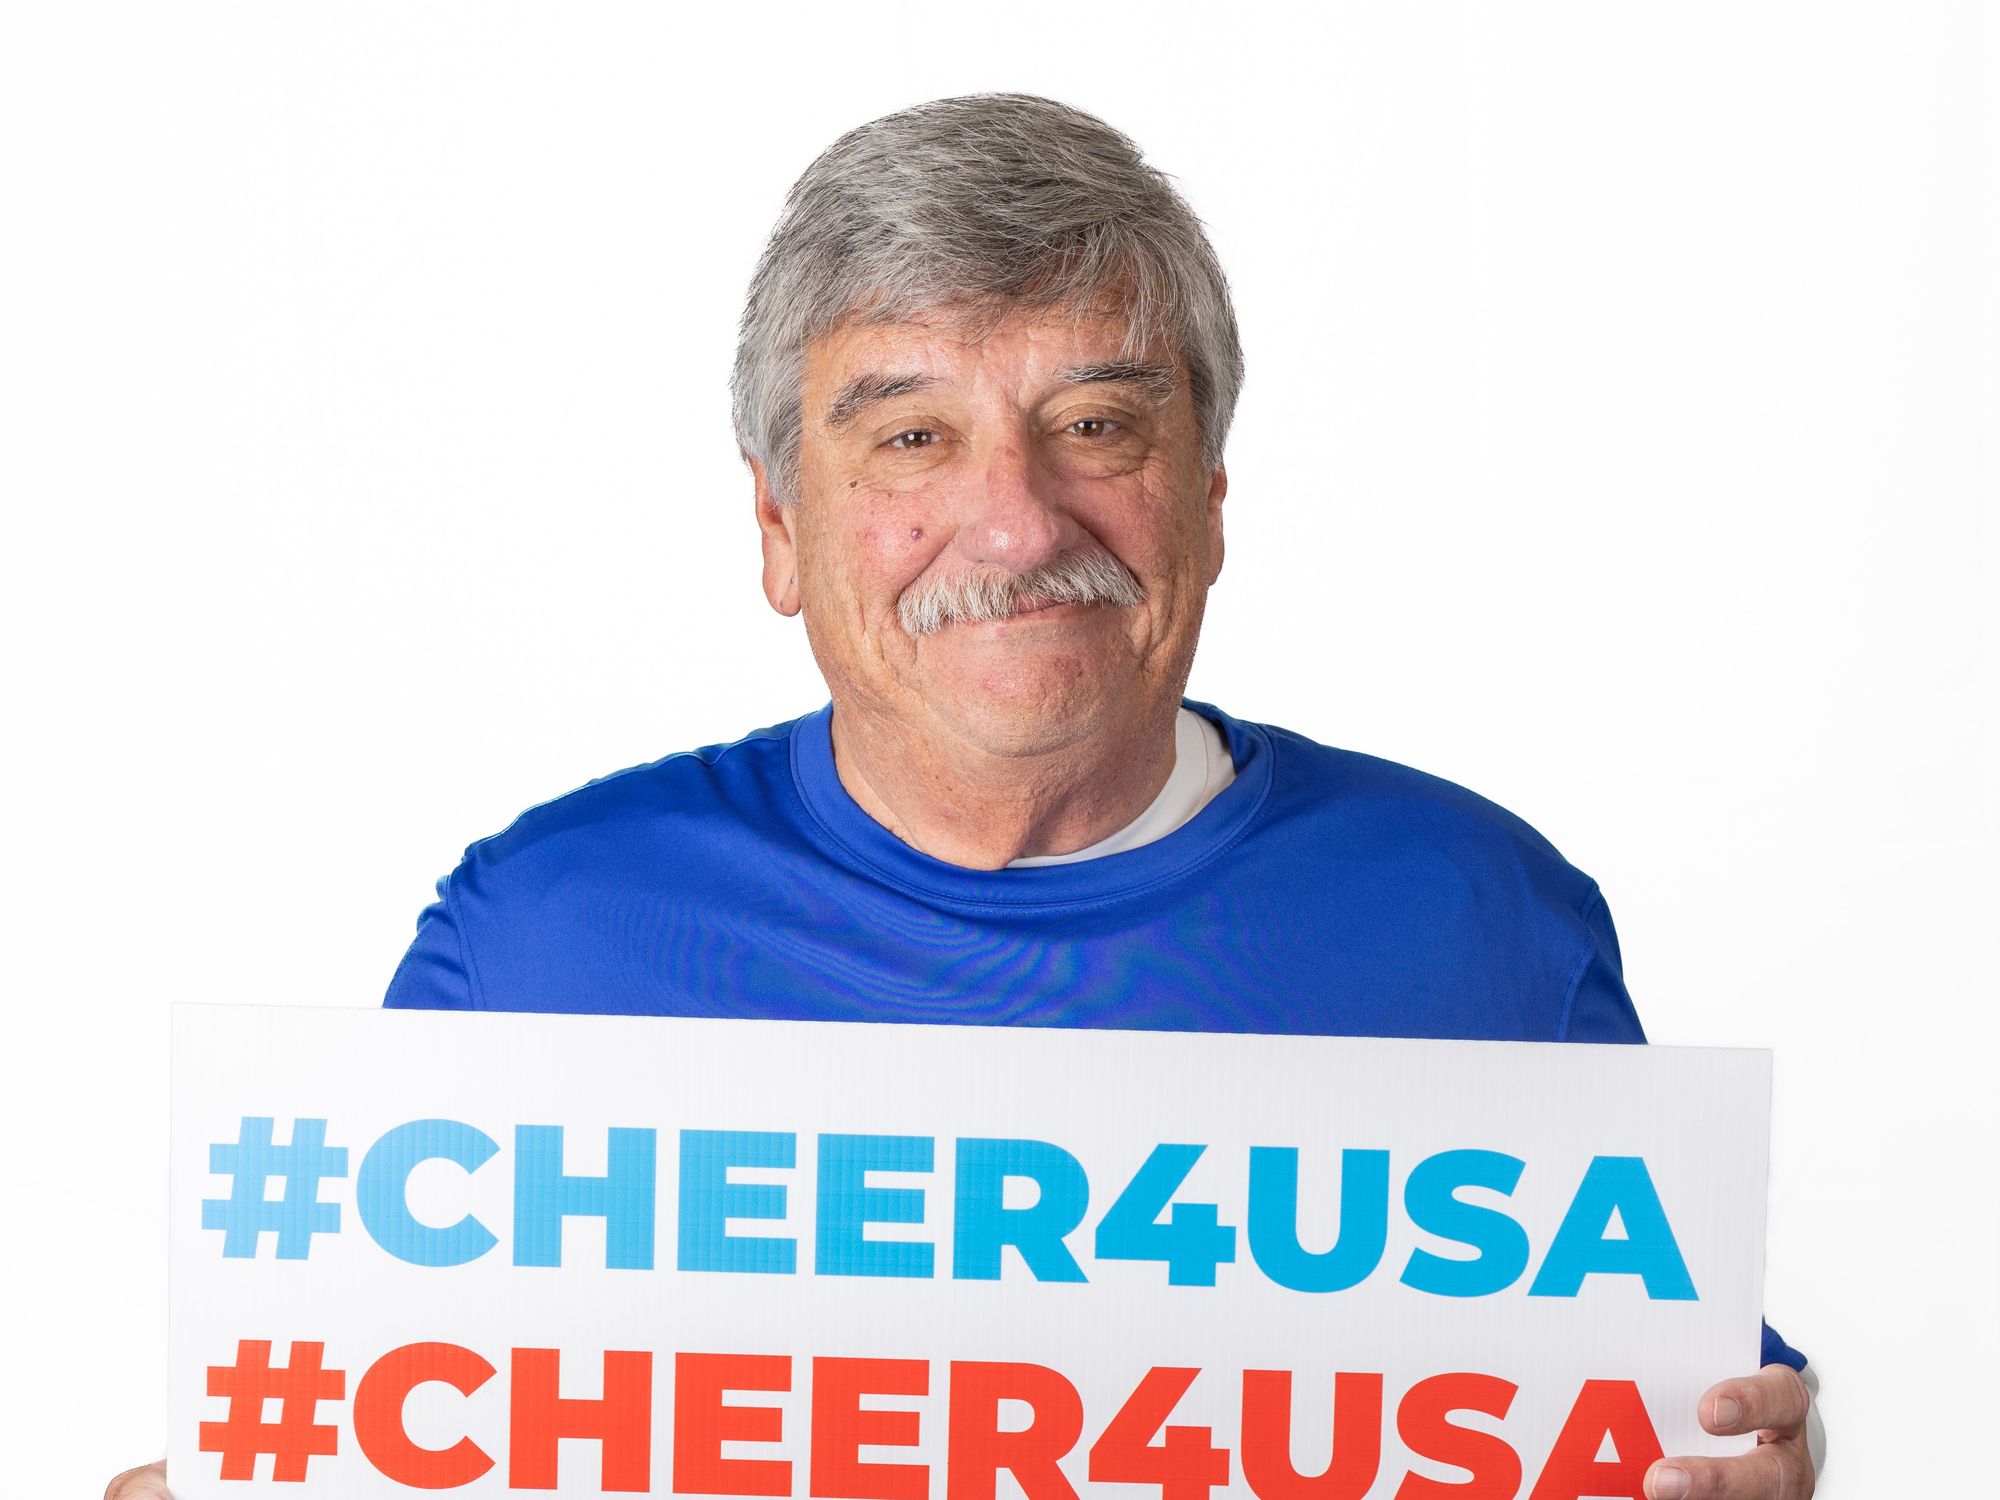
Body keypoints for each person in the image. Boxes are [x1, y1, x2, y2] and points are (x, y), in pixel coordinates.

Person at [108, 94, 1817, 1500]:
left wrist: (1769, 1468)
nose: (1015, 525)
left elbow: (1700, 1421)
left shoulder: (1474, 916)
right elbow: (367, 1421)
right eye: (911, 440)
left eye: (1093, 421)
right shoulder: (550, 928)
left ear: (1209, 504)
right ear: (780, 529)